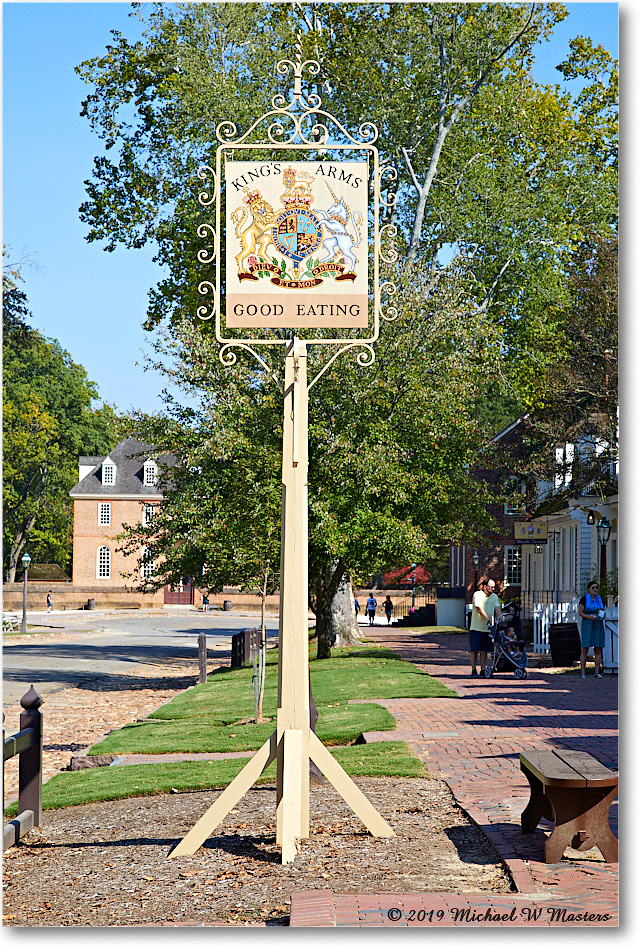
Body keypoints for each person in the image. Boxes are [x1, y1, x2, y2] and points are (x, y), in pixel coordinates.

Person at [578, 580, 605, 679]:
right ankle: (583, 672)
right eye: (593, 587)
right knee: (585, 648)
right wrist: (589, 617)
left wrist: (602, 615)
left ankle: (597, 672)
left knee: (598, 649)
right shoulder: (584, 599)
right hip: (587, 624)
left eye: (596, 587)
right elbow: (580, 613)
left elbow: (601, 610)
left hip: (597, 624)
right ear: (588, 589)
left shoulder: (599, 599)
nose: (595, 589)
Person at [469, 579, 495, 677]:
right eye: (491, 587)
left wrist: (500, 619)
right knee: (474, 650)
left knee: (484, 650)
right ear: (484, 587)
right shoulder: (477, 595)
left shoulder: (494, 596)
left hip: (488, 629)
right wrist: (489, 619)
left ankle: (483, 670)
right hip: (476, 628)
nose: (493, 589)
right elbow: (479, 608)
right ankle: (473, 669)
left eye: (493, 587)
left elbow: (497, 608)